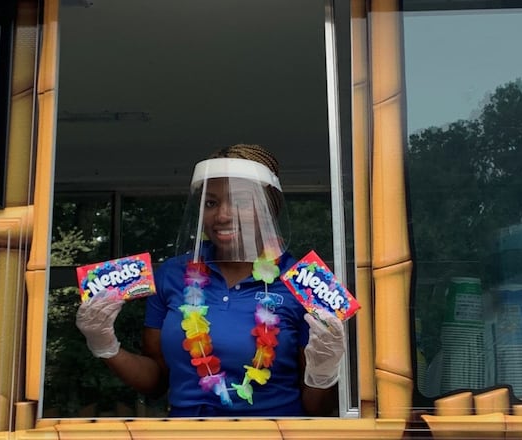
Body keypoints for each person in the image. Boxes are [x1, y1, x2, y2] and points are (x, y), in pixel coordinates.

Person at [76, 144, 346, 417]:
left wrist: (323, 374)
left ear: (269, 209)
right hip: (186, 433)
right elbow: (157, 383)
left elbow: (320, 410)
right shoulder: (172, 274)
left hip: (276, 433)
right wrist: (106, 346)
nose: (223, 215)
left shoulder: (304, 283)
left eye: (240, 201)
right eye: (211, 203)